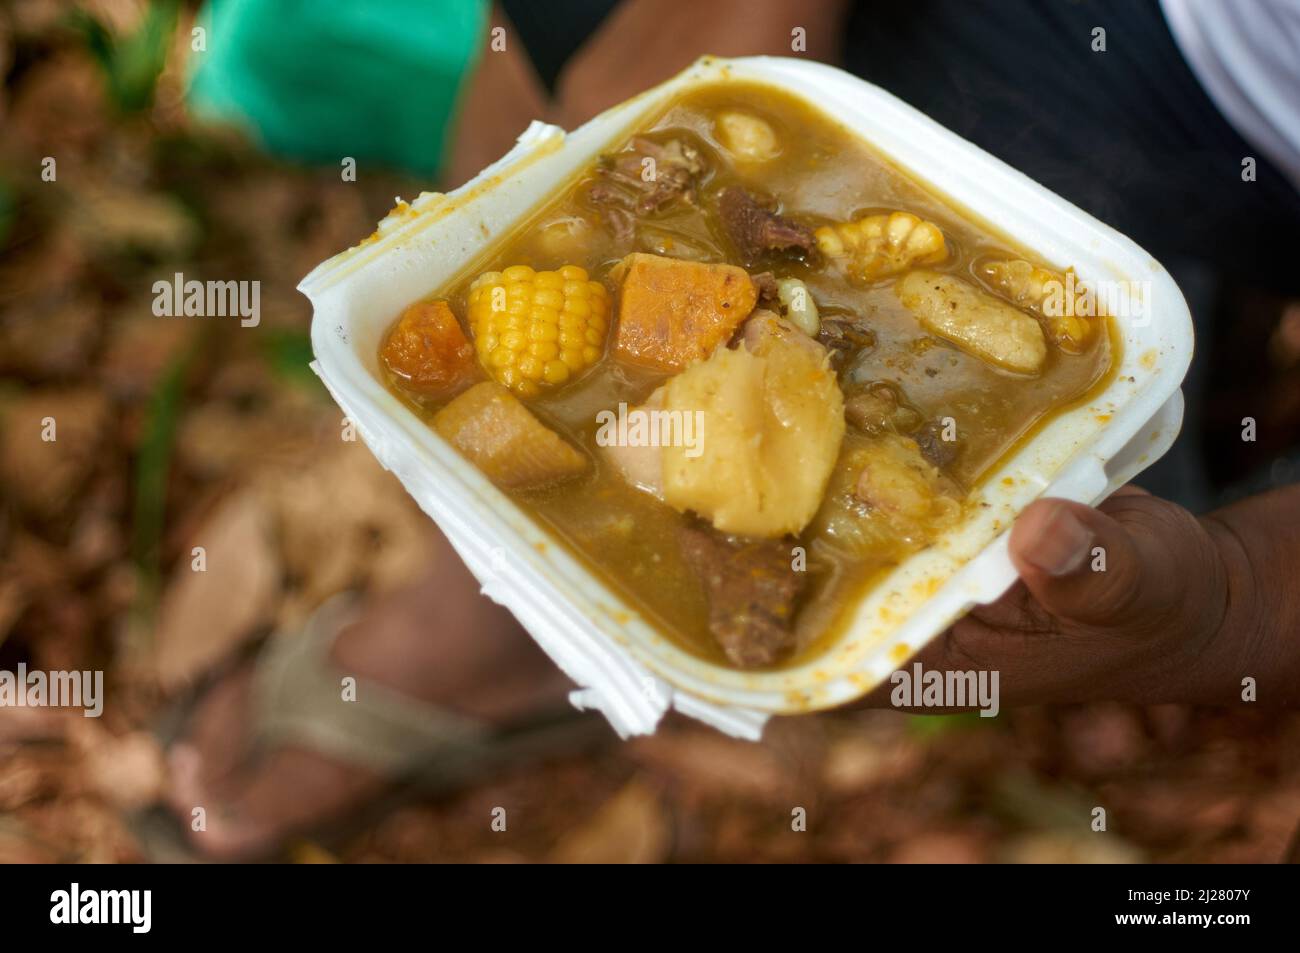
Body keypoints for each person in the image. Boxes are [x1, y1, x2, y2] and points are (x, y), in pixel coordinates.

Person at [168, 0, 1300, 859]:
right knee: (569, 40)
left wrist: (1242, 600)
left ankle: (513, 612)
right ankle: (484, 602)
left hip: (1234, 115)